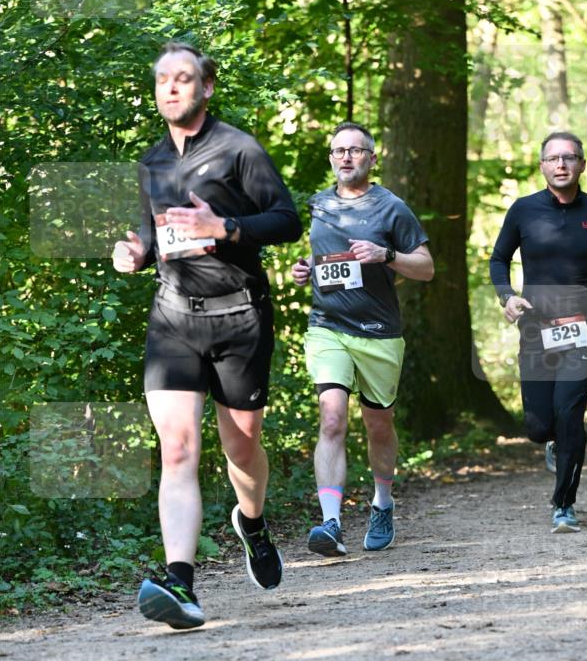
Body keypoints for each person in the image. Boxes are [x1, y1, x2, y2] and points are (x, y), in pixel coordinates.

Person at [112, 42, 302, 629]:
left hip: (239, 318)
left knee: (241, 448)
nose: (172, 88)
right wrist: (134, 253)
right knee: (178, 450)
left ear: (207, 87)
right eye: (163, 80)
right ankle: (181, 581)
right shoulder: (151, 165)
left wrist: (227, 226)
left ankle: (251, 520)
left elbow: (288, 221)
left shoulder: (240, 150)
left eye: (184, 78)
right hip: (173, 319)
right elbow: (150, 240)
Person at [291, 121, 434, 556]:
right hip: (328, 326)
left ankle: (383, 502)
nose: (347, 157)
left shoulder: (392, 208)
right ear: (331, 158)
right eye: (339, 151)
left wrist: (386, 255)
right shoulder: (317, 206)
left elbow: (426, 267)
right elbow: (320, 259)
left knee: (378, 425)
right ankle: (330, 523)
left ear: (372, 158)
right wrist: (304, 271)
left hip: (379, 333)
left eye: (356, 150)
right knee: (332, 417)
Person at [490, 131, 587, 533]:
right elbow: (499, 258)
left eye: (570, 158)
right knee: (538, 425)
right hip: (536, 326)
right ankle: (552, 442)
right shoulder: (523, 210)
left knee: (570, 413)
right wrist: (507, 296)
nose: (562, 164)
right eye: (553, 158)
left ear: (582, 165)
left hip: (584, 325)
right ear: (543, 166)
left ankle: (564, 504)